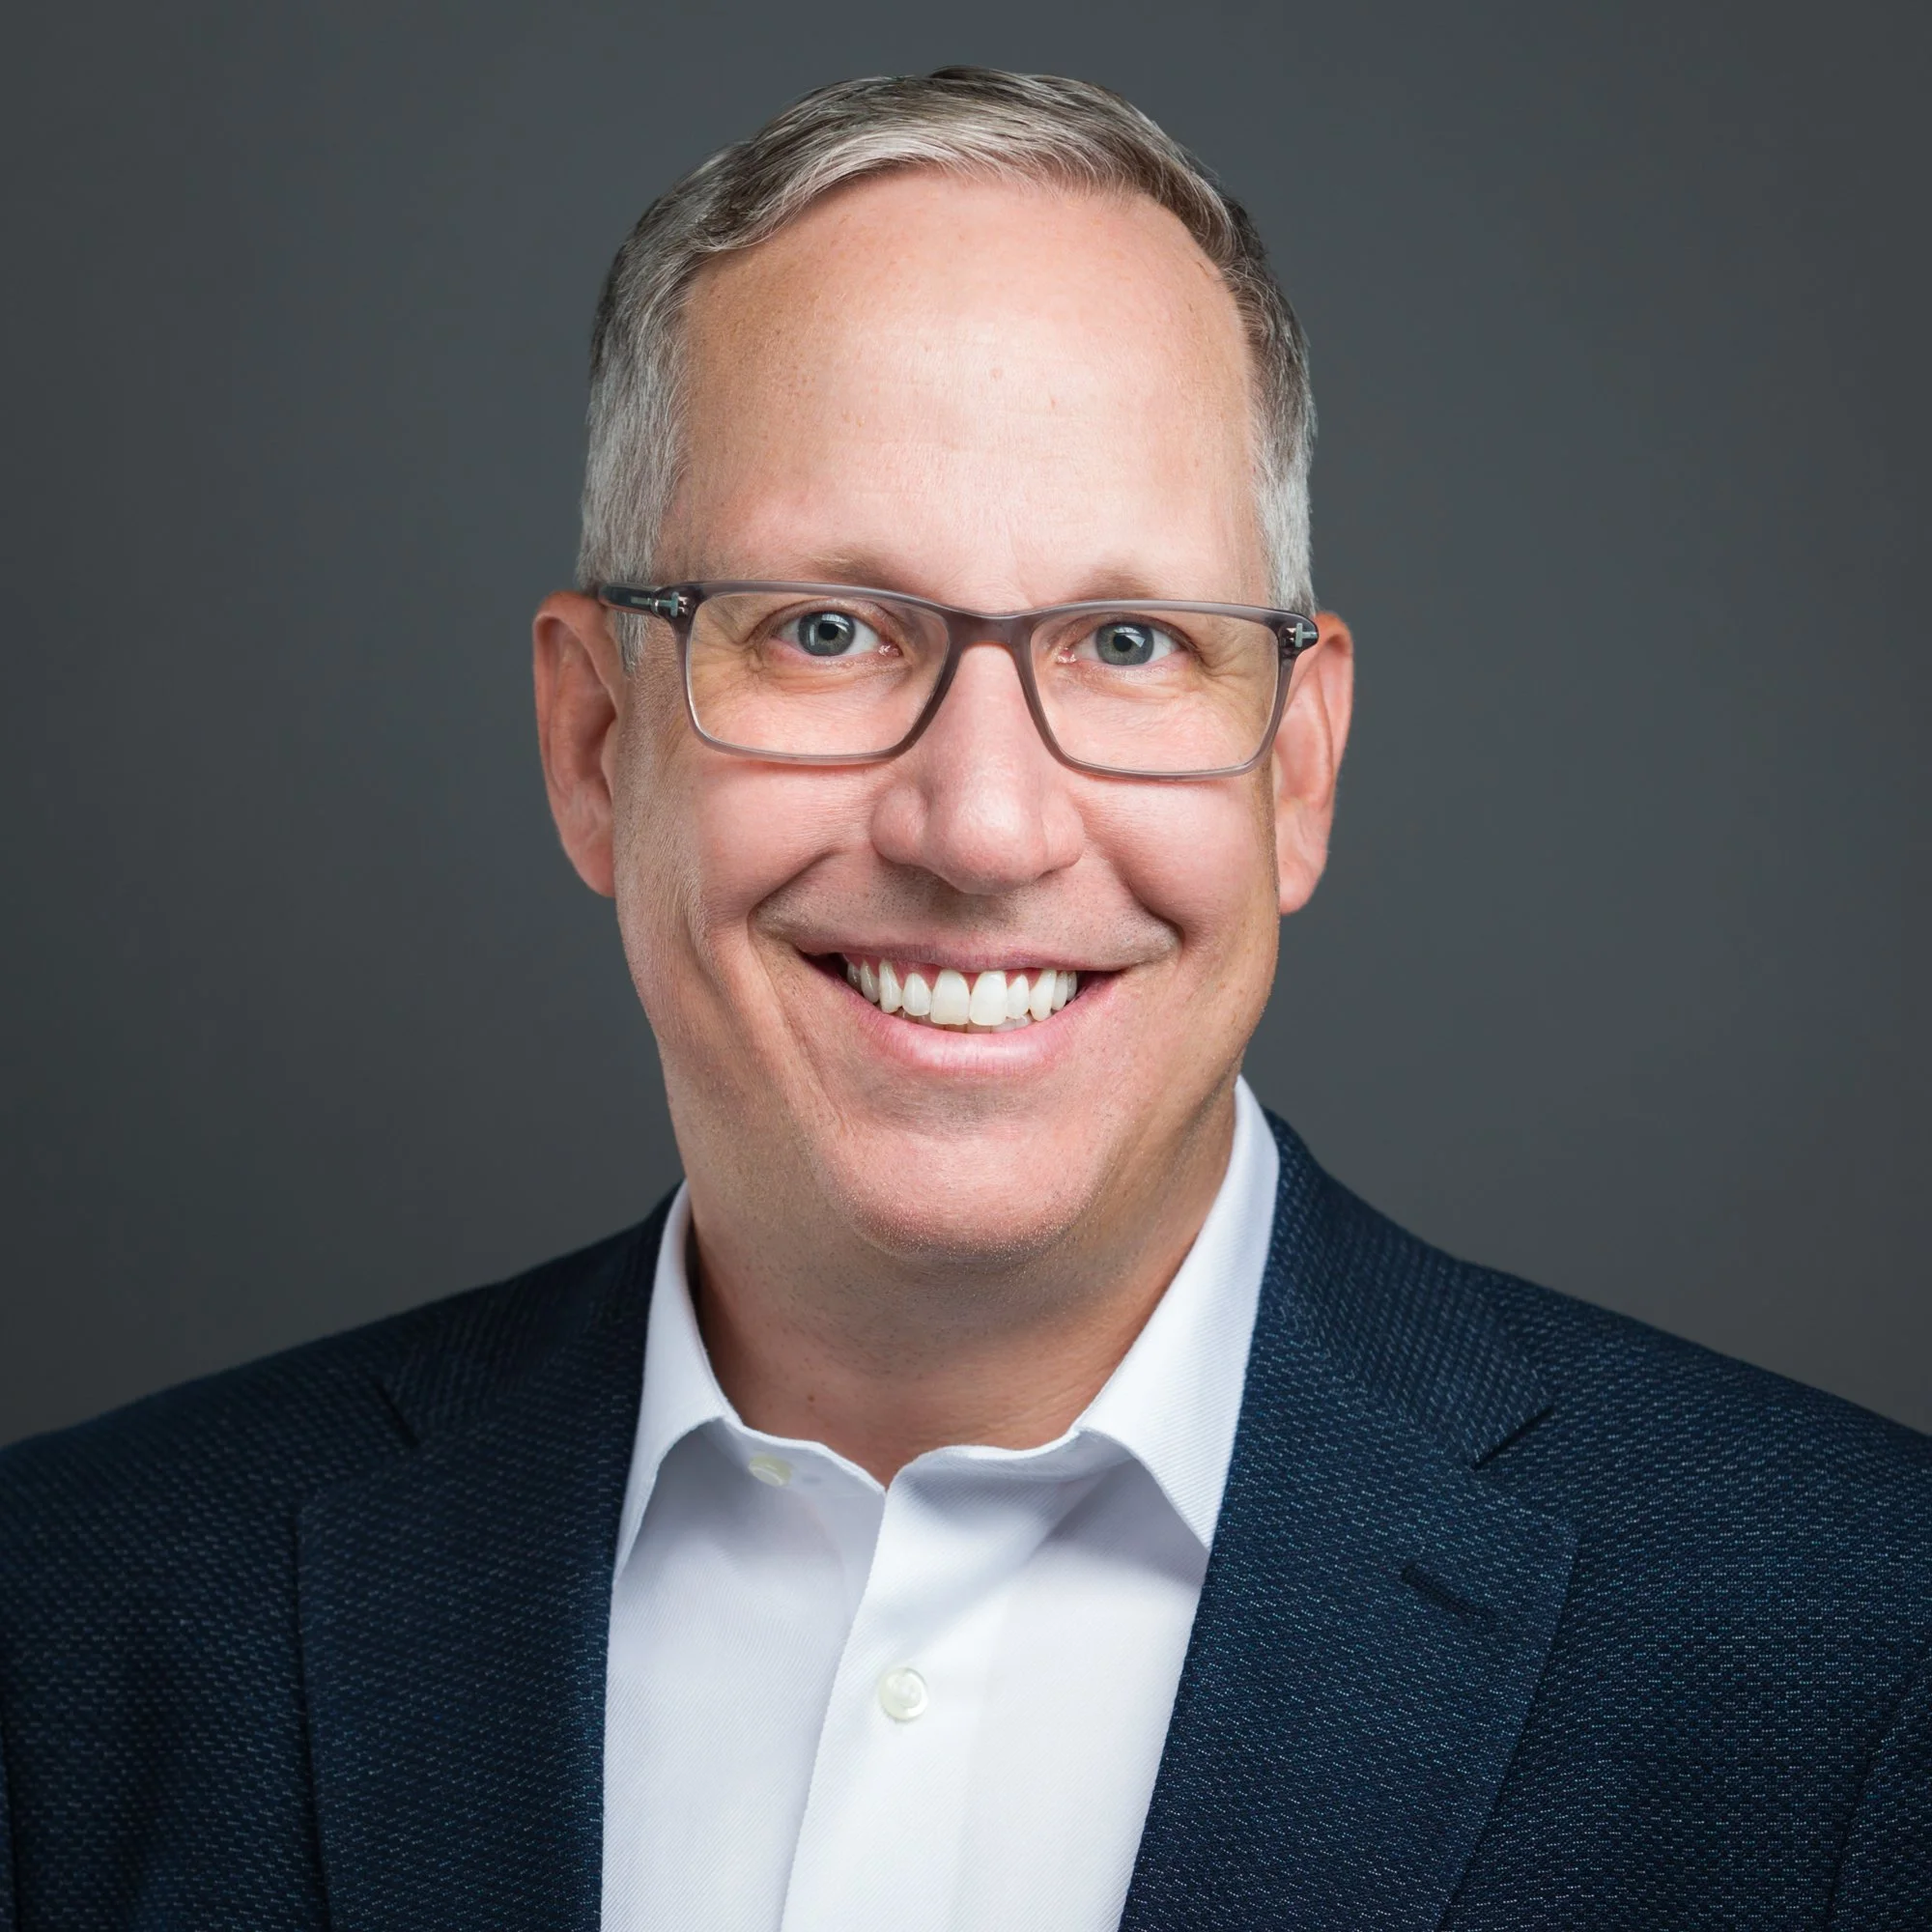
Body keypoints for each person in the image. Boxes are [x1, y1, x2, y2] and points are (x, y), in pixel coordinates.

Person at [1, 66, 1927, 1932]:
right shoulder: (74, 1628)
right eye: (826, 630)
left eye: (1125, 641)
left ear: (1299, 770)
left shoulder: (1853, 1656)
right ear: (594, 742)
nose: (982, 820)